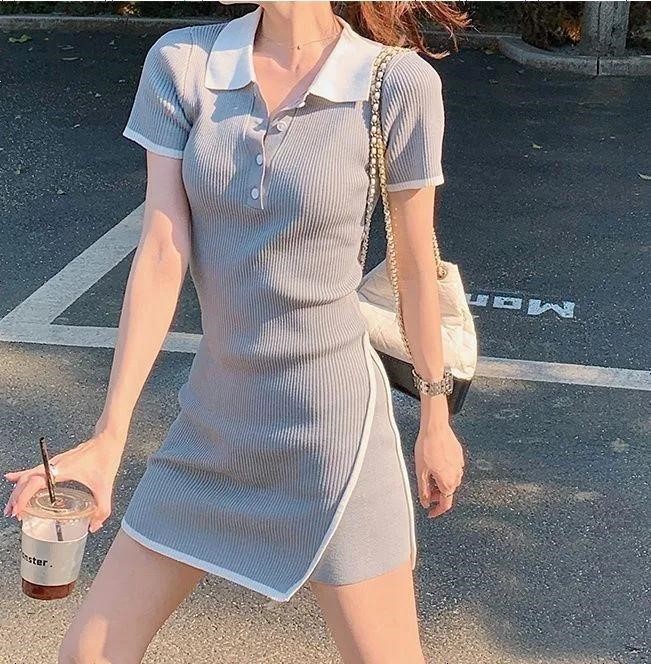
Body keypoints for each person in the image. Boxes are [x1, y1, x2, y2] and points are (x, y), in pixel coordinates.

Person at [4, 2, 470, 662]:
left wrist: (434, 417)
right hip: (213, 425)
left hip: (331, 437)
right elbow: (161, 252)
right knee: (90, 654)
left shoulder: (395, 83)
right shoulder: (183, 63)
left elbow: (416, 267)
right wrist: (110, 437)